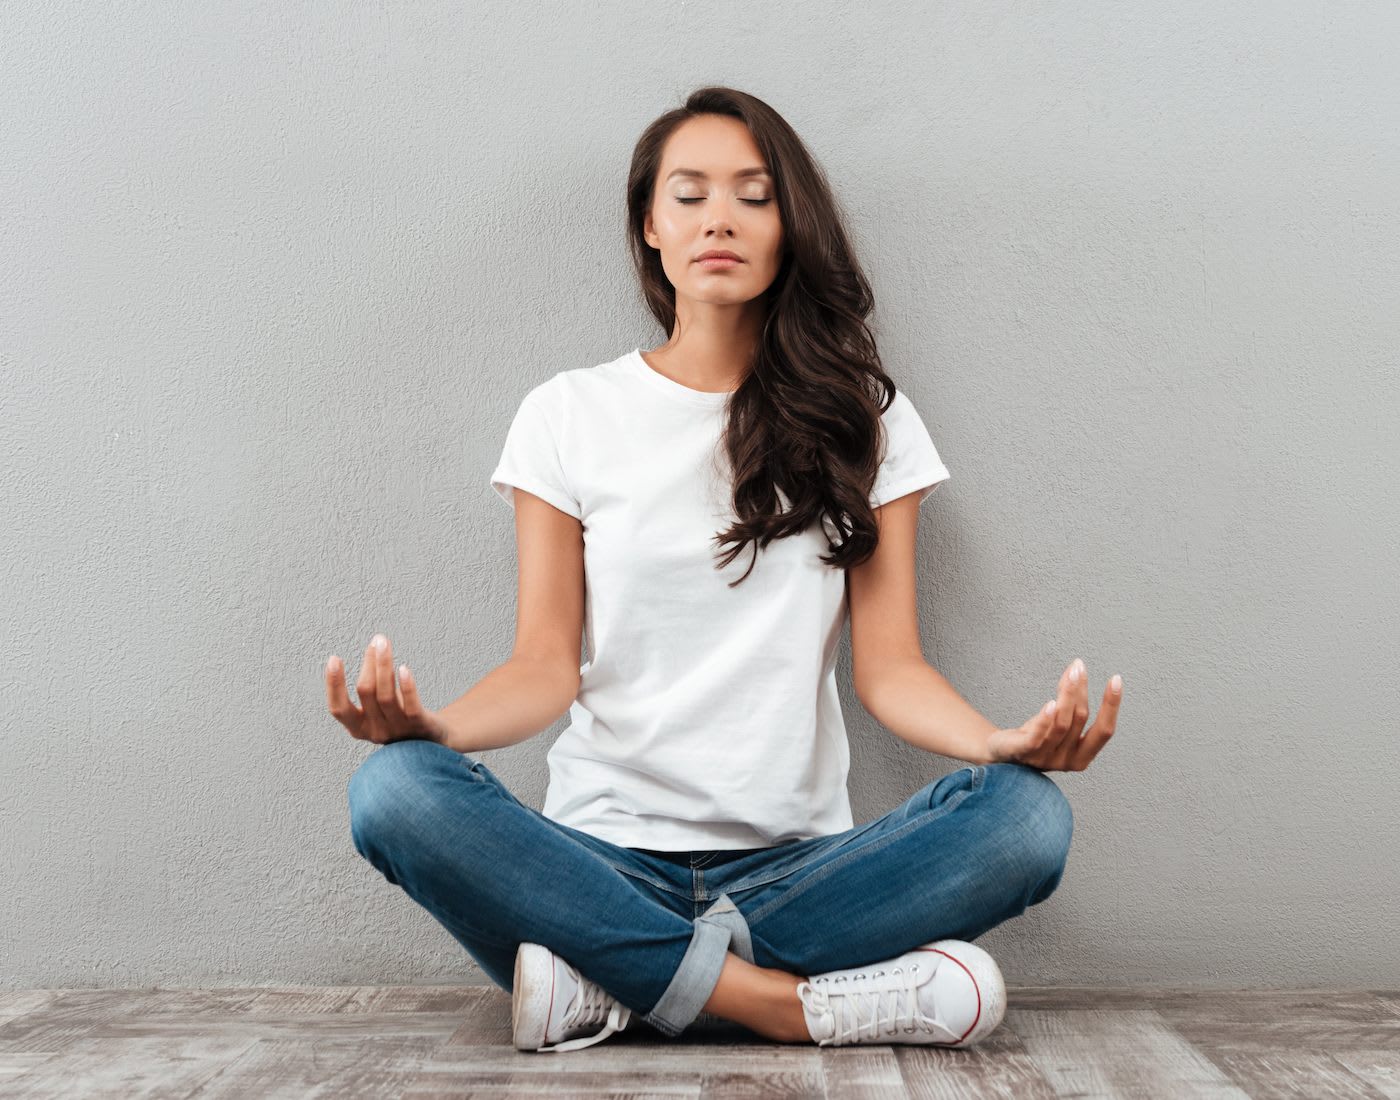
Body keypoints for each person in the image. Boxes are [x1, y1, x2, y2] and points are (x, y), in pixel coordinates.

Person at [328, 85, 1123, 1054]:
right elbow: (542, 662)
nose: (719, 218)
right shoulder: (566, 414)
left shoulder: (866, 420)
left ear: (791, 226)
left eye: (753, 194)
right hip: (600, 859)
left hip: (801, 872)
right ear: (649, 227)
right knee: (395, 789)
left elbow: (890, 668)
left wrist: (999, 740)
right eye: (690, 193)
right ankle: (782, 1004)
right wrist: (435, 729)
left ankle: (614, 983)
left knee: (1024, 820)